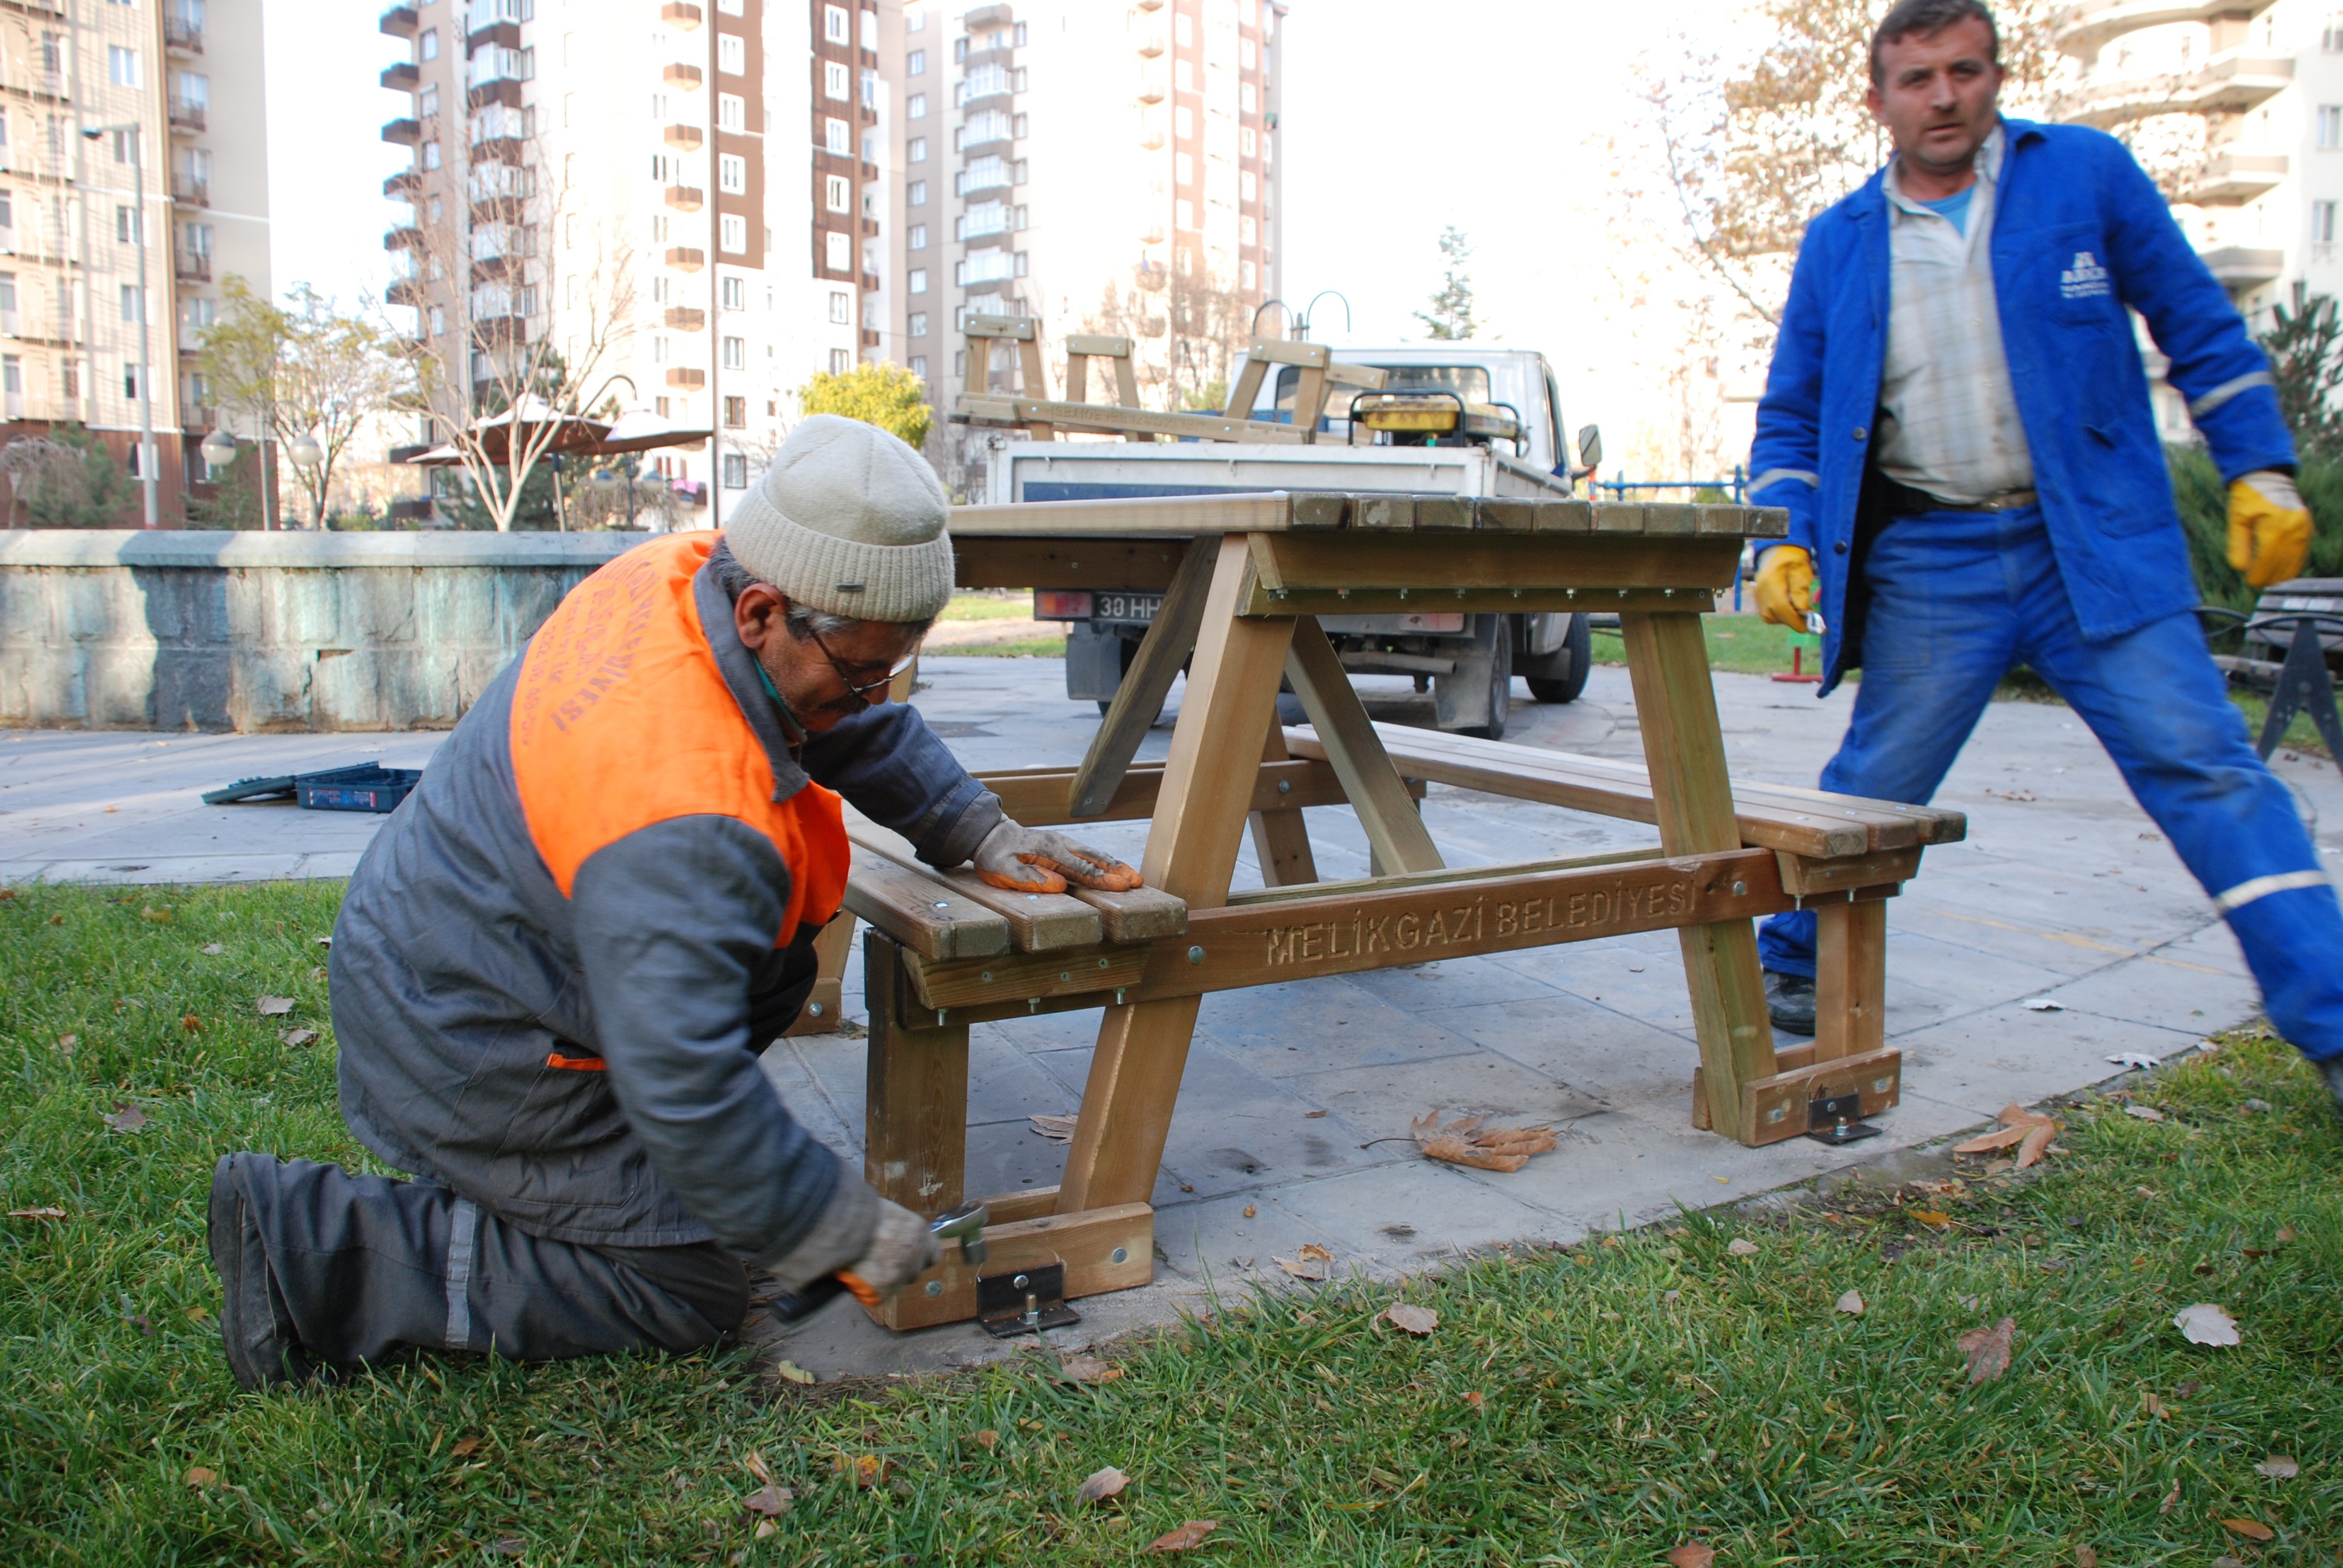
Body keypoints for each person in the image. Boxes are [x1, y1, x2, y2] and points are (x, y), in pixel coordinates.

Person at [208, 416, 1141, 1387]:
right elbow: (685, 1087)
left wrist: (976, 828)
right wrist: (843, 1230)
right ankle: (313, 1247)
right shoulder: (684, 814)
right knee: (680, 1289)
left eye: (891, 670)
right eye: (860, 672)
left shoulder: (693, 576)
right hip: (472, 1042)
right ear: (764, 614)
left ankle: (571, 1183)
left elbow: (841, 724)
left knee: (740, 1061)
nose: (873, 697)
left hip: (449, 953)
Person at [1745, 0, 2343, 1117]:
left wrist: (2259, 465)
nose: (1943, 97)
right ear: (1877, 101)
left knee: (2208, 770)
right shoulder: (1840, 240)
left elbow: (2198, 323)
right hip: (1934, 560)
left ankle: (2336, 1018)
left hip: (2097, 552)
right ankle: (1790, 960)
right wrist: (1781, 535)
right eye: (1917, 78)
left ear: (1996, 79)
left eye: (1964, 72)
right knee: (1874, 786)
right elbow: (1790, 414)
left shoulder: (2087, 179)